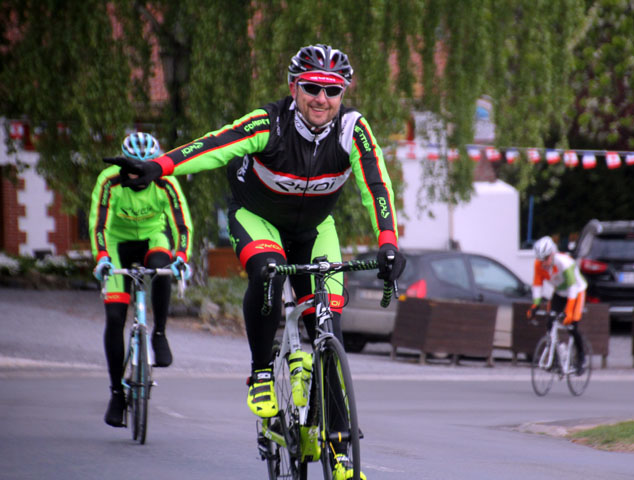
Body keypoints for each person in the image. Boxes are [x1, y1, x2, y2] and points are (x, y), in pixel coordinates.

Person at [106, 44, 405, 479]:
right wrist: (161, 166)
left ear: (343, 94)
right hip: (258, 217)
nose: (321, 98)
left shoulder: (352, 130)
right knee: (266, 273)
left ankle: (339, 451)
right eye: (311, 87)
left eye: (332, 90)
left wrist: (389, 242)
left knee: (329, 330)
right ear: (293, 87)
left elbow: (375, 183)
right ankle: (262, 371)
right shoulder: (270, 123)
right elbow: (217, 144)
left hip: (315, 228)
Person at [89, 132, 193, 428]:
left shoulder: (165, 181)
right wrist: (102, 258)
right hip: (116, 241)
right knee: (114, 316)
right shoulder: (109, 181)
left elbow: (182, 222)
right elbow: (98, 222)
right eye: (134, 168)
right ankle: (116, 394)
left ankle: (159, 333)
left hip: (152, 237)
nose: (139, 175)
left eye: (146, 168)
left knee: (163, 266)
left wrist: (183, 256)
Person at [527, 236, 587, 372]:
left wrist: (569, 311)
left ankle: (581, 359)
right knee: (550, 321)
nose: (544, 263)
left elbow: (572, 287)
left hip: (576, 291)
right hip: (560, 292)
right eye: (540, 260)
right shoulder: (539, 264)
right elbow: (537, 285)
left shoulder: (564, 263)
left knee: (572, 324)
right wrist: (535, 305)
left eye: (546, 259)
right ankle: (555, 357)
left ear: (553, 254)